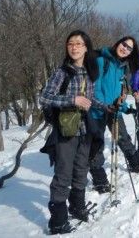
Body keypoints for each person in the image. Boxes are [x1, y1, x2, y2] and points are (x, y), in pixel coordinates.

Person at [39, 30, 108, 235]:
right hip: (66, 130)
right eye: (71, 43)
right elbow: (44, 98)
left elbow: (90, 98)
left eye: (79, 43)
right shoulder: (62, 73)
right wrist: (72, 100)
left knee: (80, 170)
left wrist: (107, 107)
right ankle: (58, 221)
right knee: (63, 174)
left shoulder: (88, 72)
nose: (74, 47)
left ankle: (77, 207)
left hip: (85, 129)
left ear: (86, 47)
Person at [89, 36, 139, 194]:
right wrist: (104, 106)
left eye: (129, 48)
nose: (125, 49)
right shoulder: (101, 60)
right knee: (96, 144)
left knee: (123, 137)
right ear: (117, 43)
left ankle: (135, 163)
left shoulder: (122, 67)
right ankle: (99, 179)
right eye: (124, 45)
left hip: (114, 110)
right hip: (96, 111)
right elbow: (95, 88)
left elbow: (118, 93)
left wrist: (126, 107)